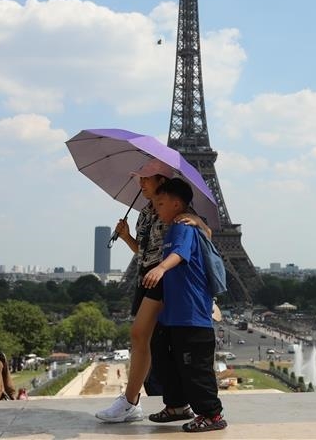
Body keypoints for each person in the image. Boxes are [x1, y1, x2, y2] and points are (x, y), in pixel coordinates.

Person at [95, 161, 208, 423]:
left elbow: (201, 237)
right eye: (139, 179)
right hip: (147, 276)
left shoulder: (176, 209)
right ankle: (167, 403)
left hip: (164, 277)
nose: (140, 183)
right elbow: (144, 252)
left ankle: (131, 401)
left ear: (161, 180)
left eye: (145, 179)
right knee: (153, 343)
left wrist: (199, 223)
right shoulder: (146, 211)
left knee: (140, 335)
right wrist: (126, 236)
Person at [146, 178, 227, 432]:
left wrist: (160, 268)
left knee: (195, 369)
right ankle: (177, 405)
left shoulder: (183, 227)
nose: (156, 207)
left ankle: (211, 415)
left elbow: (179, 254)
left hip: (191, 315)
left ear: (177, 204)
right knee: (164, 357)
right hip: (174, 315)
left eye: (161, 203)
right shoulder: (175, 229)